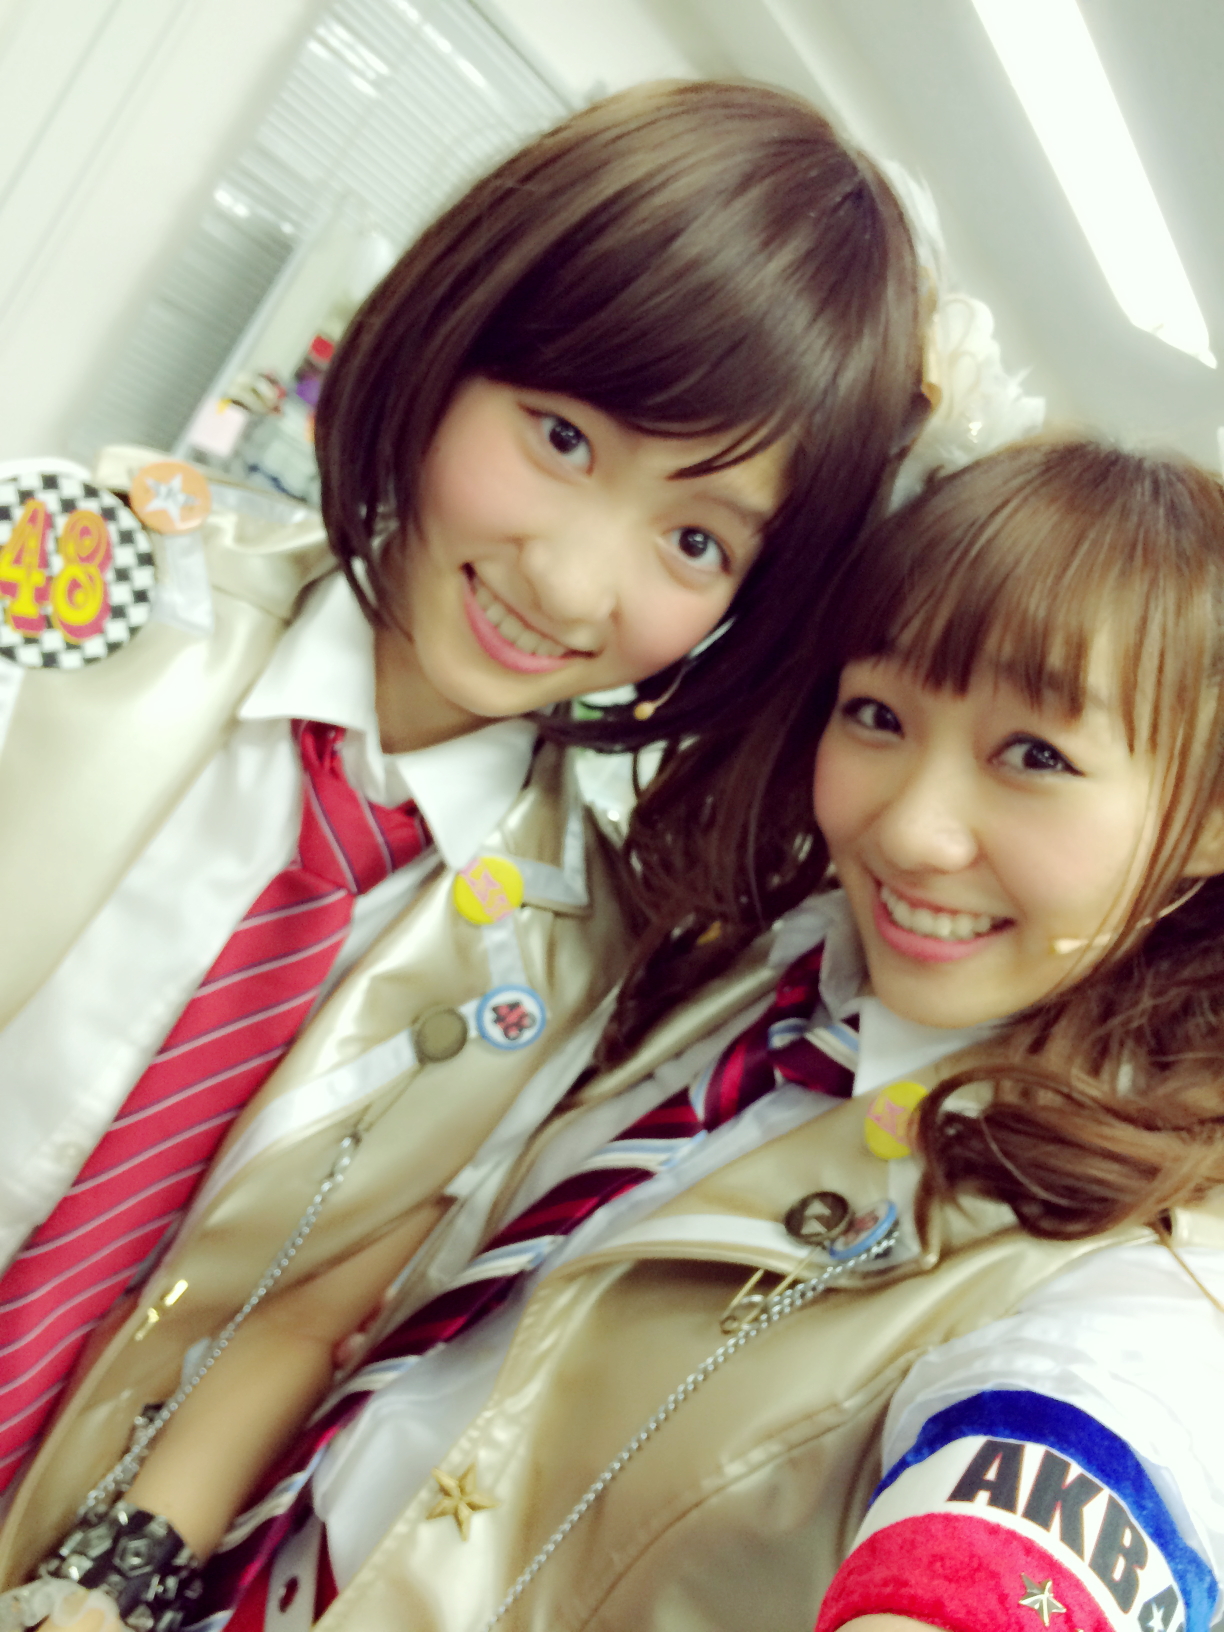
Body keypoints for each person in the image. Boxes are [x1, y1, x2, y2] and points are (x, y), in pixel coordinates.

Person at [13, 433, 1224, 1632]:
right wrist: (110, 1586)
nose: (912, 830)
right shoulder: (727, 971)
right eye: (876, 713)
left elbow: (1048, 1505)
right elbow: (350, 1298)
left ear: (1210, 819)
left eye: (1035, 756)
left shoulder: (1137, 1265)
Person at [0, 79, 930, 1566]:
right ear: (452, 340)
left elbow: (300, 1312)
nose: (568, 582)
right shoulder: (82, 592)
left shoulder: (575, 959)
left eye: (694, 540)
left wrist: (113, 1586)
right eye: (560, 436)